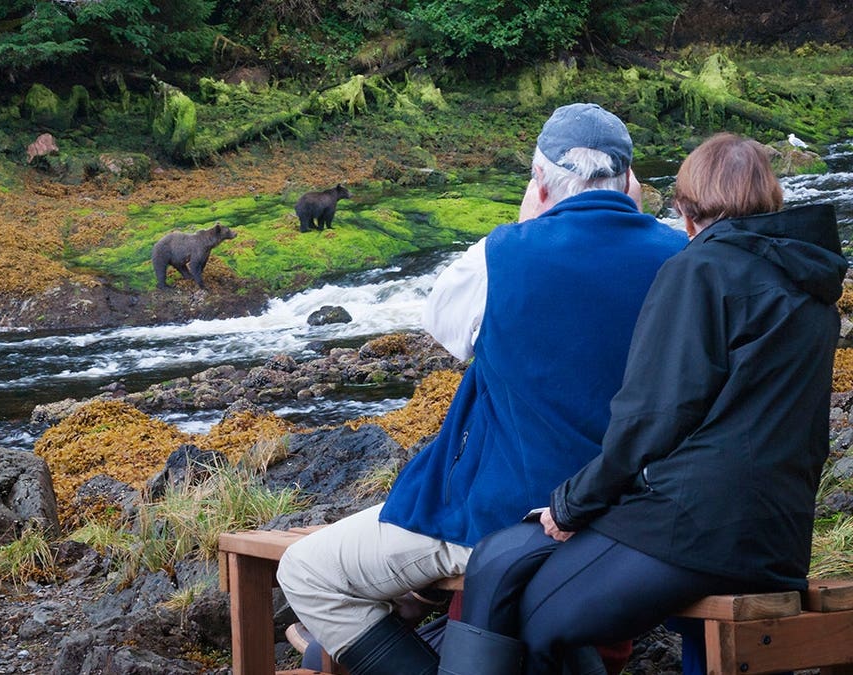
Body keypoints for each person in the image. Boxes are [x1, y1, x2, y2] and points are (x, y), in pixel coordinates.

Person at [275, 102, 687, 675]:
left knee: (305, 570)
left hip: (510, 518)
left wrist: (525, 225)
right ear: (630, 183)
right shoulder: (684, 259)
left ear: (539, 182)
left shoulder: (498, 256)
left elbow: (451, 335)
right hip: (637, 523)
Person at [447, 132, 847, 675]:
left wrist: (570, 505)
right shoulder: (810, 288)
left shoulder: (700, 269)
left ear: (685, 209)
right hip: (777, 538)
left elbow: (652, 416)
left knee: (534, 617)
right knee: (530, 584)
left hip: (692, 531)